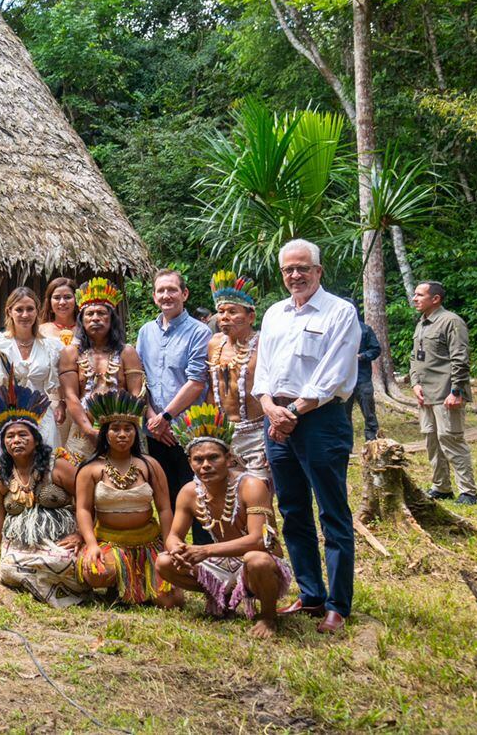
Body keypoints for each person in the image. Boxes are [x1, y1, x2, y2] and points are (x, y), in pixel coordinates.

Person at [253, 239, 360, 636]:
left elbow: (333, 375)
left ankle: (338, 604)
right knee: (293, 510)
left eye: (302, 268)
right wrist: (268, 407)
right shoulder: (275, 314)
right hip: (275, 418)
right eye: (287, 270)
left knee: (332, 512)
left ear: (319, 270)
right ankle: (311, 593)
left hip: (319, 420)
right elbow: (262, 370)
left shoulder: (340, 312)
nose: (294, 276)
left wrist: (292, 413)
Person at [155, 405, 293, 639]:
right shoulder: (189, 492)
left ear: (229, 459)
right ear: (190, 463)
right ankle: (221, 595)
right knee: (164, 562)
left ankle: (268, 616)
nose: (205, 465)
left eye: (213, 458)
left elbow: (259, 540)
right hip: (221, 562)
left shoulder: (252, 486)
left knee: (256, 560)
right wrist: (177, 548)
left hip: (258, 560)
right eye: (198, 460)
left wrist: (205, 550)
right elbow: (173, 535)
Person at [0, 385, 85, 607]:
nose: (16, 440)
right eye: (10, 436)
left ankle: (55, 589)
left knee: (61, 560)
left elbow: (87, 500)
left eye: (22, 435)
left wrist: (81, 535)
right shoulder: (1, 477)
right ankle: (39, 584)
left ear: (36, 439)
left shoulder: (58, 466)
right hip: (22, 544)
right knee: (7, 568)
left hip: (60, 540)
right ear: (4, 444)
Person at [74, 389, 178, 607]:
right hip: (109, 541)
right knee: (97, 573)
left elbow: (165, 508)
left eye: (128, 429)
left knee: (170, 602)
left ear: (135, 433)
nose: (122, 434)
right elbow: (83, 510)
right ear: (105, 433)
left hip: (148, 543)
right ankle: (119, 580)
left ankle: (137, 581)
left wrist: (169, 545)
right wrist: (91, 545)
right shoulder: (90, 470)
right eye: (115, 429)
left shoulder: (149, 465)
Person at [134, 270, 211, 536]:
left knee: (198, 495)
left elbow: (196, 382)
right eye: (161, 291)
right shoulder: (146, 332)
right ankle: (173, 554)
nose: (166, 295)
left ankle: (204, 558)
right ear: (154, 297)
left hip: (188, 429)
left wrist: (165, 418)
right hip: (156, 430)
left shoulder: (199, 332)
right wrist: (152, 416)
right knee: (165, 496)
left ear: (184, 294)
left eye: (172, 290)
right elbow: (139, 378)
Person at [0, 288, 62, 528]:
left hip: (42, 417)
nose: (25, 314)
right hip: (6, 417)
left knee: (43, 469)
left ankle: (42, 527)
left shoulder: (51, 346)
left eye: (30, 309)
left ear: (37, 311)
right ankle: (6, 530)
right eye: (19, 309)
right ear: (10, 311)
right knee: (6, 473)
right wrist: (10, 413)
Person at [59, 279, 146, 465]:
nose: (95, 318)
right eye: (89, 314)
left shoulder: (127, 352)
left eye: (101, 313)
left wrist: (121, 428)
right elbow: (71, 396)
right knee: (78, 482)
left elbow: (136, 394)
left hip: (123, 431)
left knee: (129, 481)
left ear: (111, 318)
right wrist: (89, 430)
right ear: (81, 320)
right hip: (82, 430)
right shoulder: (70, 353)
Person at [410, 280, 477, 505]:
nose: (415, 299)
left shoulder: (451, 322)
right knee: (432, 441)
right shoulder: (422, 324)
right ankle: (441, 487)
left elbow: (460, 358)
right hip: (426, 394)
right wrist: (415, 383)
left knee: (451, 439)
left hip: (446, 393)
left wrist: (456, 390)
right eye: (415, 295)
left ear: (436, 299)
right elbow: (414, 358)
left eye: (420, 295)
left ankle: (468, 492)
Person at [205, 272, 269, 482]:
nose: (224, 317)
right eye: (221, 311)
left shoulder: (263, 344)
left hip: (258, 434)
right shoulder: (214, 343)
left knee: (259, 495)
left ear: (251, 317)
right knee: (230, 498)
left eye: (233, 311)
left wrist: (273, 439)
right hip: (224, 433)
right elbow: (212, 390)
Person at [354, 318, 383, 443]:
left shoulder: (365, 329)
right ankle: (345, 446)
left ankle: (372, 441)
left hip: (362, 378)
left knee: (368, 411)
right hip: (342, 380)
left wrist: (362, 356)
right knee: (343, 414)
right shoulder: (336, 328)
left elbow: (376, 349)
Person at [39, 276, 78, 349]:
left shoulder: (86, 330)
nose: (62, 302)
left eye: (67, 297)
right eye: (57, 298)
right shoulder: (40, 331)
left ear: (76, 300)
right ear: (49, 302)